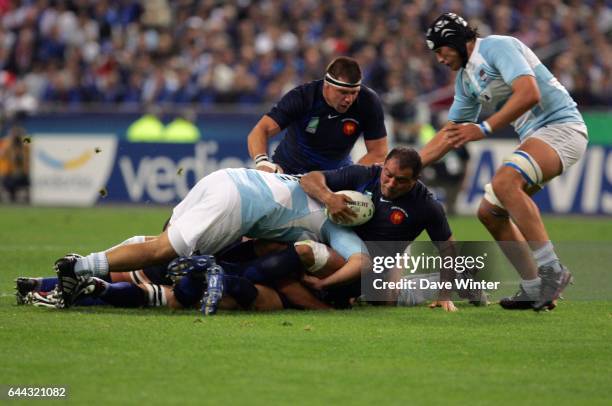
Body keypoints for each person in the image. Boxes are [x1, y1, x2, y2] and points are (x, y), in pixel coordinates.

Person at [419, 13, 588, 311]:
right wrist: (407, 166)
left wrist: (483, 128)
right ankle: (535, 287)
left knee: (505, 181)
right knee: (490, 212)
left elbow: (530, 93)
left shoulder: (497, 47)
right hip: (539, 137)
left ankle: (553, 270)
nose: (440, 60)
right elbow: (450, 133)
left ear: (455, 41)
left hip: (562, 128)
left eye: (441, 51)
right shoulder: (465, 80)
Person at [53, 168, 369, 313]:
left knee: (159, 243)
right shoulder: (336, 227)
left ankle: (78, 272)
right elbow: (360, 261)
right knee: (162, 253)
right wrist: (325, 286)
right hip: (237, 203)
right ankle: (78, 266)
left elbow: (311, 177)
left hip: (224, 177)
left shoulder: (317, 186)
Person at [300, 147, 483, 312]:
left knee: (385, 301)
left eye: (401, 180)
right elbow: (309, 179)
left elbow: (448, 248)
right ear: (383, 165)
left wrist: (444, 295)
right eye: (388, 174)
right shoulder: (364, 175)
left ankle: (461, 279)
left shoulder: (425, 205)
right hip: (347, 252)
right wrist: (329, 198)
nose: (391, 183)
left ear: (415, 180)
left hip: (379, 265)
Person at [247, 56, 388, 174]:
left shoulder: (368, 101)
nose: (349, 99)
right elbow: (260, 130)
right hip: (289, 170)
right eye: (343, 92)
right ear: (327, 86)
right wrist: (262, 162)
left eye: (353, 92)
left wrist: (349, 176)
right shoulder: (303, 97)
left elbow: (379, 152)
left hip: (334, 175)